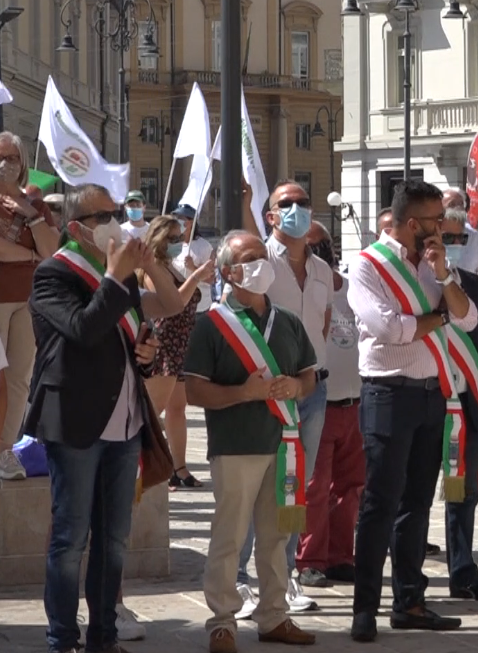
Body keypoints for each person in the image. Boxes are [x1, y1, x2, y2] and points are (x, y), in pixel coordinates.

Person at [31, 183, 182, 653]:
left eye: (118, 212)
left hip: (125, 423)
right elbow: (83, 329)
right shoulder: (54, 274)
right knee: (71, 539)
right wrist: (116, 278)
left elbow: (149, 320)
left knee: (113, 540)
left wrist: (144, 349)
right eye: (104, 216)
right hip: (75, 420)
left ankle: (104, 636)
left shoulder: (120, 275)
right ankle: (61, 638)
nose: (116, 221)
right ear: (77, 228)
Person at [347, 179, 473, 642]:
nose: (444, 227)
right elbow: (389, 329)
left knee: (417, 503)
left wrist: (442, 278)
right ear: (414, 223)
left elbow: (468, 316)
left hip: (430, 393)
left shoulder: (431, 264)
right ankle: (364, 608)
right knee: (380, 502)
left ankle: (410, 601)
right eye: (437, 220)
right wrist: (436, 318)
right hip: (387, 393)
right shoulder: (367, 265)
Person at [187, 231, 318, 653]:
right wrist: (243, 393)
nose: (260, 263)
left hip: (284, 444)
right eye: (248, 258)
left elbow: (309, 376)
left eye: (262, 256)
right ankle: (222, 621)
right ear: (228, 271)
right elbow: (194, 391)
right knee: (230, 536)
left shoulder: (289, 321)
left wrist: (295, 389)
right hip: (236, 444)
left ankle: (274, 615)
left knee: (276, 535)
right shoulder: (211, 324)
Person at [232, 180, 333, 612]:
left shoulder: (323, 270)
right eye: (286, 204)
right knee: (254, 485)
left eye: (303, 202)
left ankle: (284, 574)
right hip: (268, 390)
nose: (298, 209)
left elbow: (323, 325)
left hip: (311, 388)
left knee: (294, 485)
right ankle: (238, 577)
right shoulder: (260, 262)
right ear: (270, 215)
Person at [434, 205, 478, 602]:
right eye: (448, 238)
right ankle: (405, 579)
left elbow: (474, 340)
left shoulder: (474, 287)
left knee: (463, 491)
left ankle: (462, 571)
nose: (456, 244)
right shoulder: (417, 280)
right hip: (427, 397)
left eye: (463, 238)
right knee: (412, 492)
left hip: (466, 398)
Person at [297, 223, 366, 587]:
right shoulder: (306, 290)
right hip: (320, 401)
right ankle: (310, 559)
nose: (318, 251)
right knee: (316, 486)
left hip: (356, 403)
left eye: (322, 244)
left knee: (351, 486)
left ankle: (342, 556)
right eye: (309, 247)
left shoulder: (354, 288)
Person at [140, 216, 215, 489]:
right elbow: (173, 303)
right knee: (152, 413)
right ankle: (145, 470)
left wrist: (194, 273)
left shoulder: (169, 265)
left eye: (178, 238)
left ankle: (178, 468)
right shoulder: (152, 269)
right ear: (158, 238)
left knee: (177, 409)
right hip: (164, 347)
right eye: (171, 238)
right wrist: (195, 277)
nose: (177, 243)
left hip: (180, 345)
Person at [0, 131, 59, 481]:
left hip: (27, 300)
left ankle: (6, 450)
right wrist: (32, 254)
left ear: (23, 165)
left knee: (21, 377)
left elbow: (53, 250)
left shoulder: (36, 205)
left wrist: (29, 215)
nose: (6, 164)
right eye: (1, 157)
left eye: (13, 158)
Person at [442, 189, 478, 283]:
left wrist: (477, 289)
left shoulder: (474, 236)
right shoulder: (430, 234)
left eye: (461, 204)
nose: (457, 208)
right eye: (452, 205)